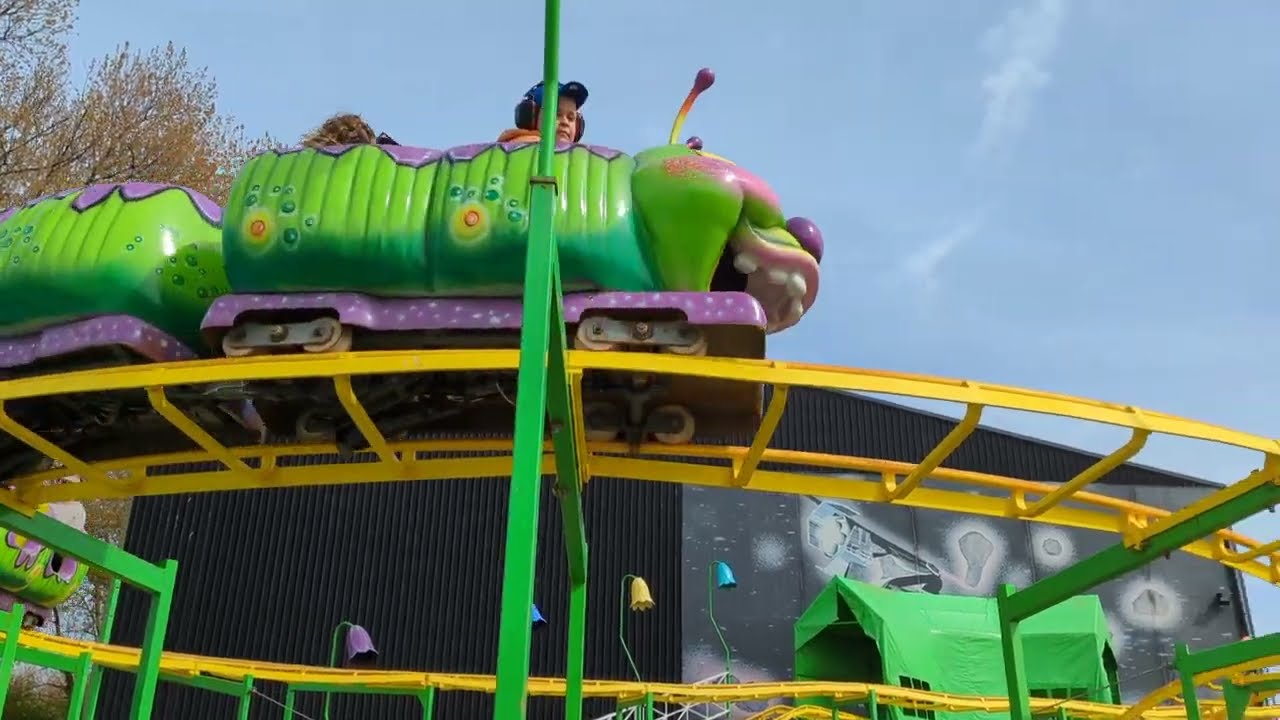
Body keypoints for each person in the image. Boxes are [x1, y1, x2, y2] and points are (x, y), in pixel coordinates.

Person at [497, 80, 588, 144]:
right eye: (556, 114)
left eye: (571, 118)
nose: (565, 122)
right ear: (530, 117)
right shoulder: (526, 147)